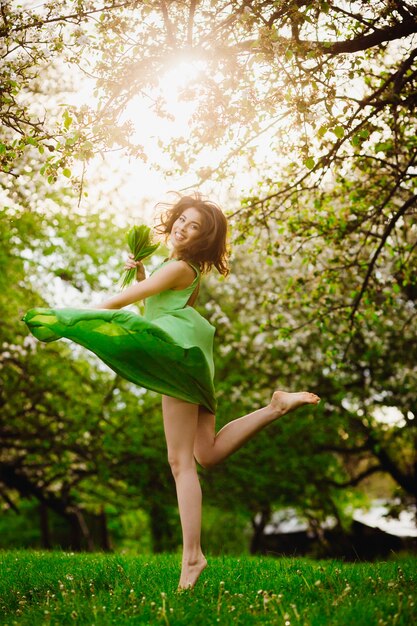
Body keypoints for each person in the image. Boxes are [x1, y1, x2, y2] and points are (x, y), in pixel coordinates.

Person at [22, 193, 320, 589]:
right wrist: (147, 275)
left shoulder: (179, 266)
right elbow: (161, 310)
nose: (182, 227)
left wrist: (69, 318)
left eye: (194, 225)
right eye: (182, 219)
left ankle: (193, 557)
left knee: (181, 463)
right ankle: (273, 407)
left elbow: (123, 302)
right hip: (191, 355)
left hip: (179, 359)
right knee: (206, 454)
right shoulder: (182, 270)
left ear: (203, 238)